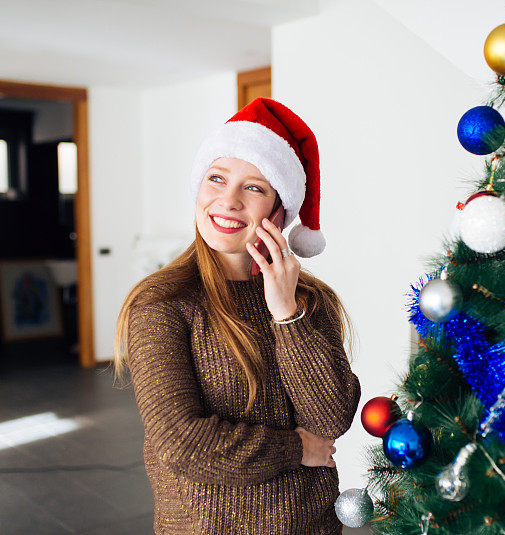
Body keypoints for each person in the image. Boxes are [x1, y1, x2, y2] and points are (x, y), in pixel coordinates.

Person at [112, 98, 362, 534]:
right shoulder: (162, 302)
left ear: (278, 213)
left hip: (313, 525)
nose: (227, 201)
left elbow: (331, 420)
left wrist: (287, 314)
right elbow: (181, 443)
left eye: (254, 187)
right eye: (216, 179)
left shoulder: (312, 301)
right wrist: (295, 449)